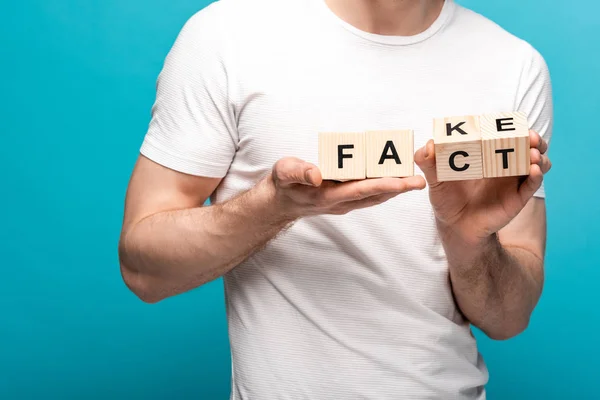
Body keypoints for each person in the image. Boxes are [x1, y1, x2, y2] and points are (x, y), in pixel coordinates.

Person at [118, 0, 553, 398]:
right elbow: (143, 269)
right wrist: (277, 206)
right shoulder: (226, 36)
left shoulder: (514, 64)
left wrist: (470, 239)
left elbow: (508, 318)